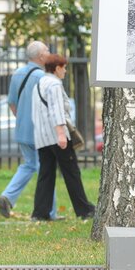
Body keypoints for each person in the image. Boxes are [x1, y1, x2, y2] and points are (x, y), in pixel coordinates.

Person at [0, 42, 58, 218]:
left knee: (30, 165)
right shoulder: (43, 77)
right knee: (46, 170)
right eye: (47, 50)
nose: (49, 53)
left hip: (22, 130)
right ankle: (49, 212)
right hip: (40, 132)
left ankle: (7, 196)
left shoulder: (18, 74)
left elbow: (12, 104)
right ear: (40, 56)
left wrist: (22, 118)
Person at [31, 54, 95, 221]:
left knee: (46, 174)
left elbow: (37, 112)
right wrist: (61, 134)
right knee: (71, 172)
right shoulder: (54, 84)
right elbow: (56, 110)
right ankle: (84, 209)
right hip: (56, 136)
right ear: (57, 68)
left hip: (42, 137)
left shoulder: (39, 83)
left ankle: (40, 212)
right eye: (64, 67)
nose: (65, 71)